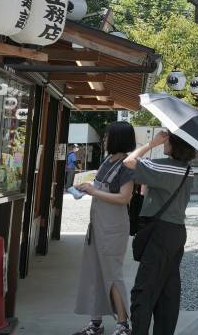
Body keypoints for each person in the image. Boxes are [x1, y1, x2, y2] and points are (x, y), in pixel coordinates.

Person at [123, 130, 195, 335]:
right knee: (167, 291)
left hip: (160, 233)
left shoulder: (164, 167)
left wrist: (151, 144)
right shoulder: (188, 170)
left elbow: (129, 162)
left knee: (143, 292)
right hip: (177, 231)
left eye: (168, 138)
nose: (165, 140)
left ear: (174, 144)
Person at [71, 123, 136, 335]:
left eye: (108, 136)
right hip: (97, 224)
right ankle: (96, 322)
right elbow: (99, 186)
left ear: (118, 139)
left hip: (113, 227)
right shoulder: (108, 160)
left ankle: (123, 324)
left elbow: (124, 198)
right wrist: (86, 188)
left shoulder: (128, 165)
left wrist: (93, 191)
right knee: (95, 272)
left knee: (112, 273)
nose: (105, 140)